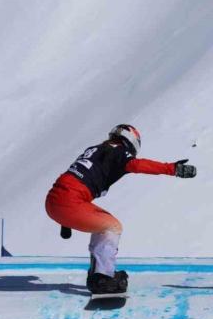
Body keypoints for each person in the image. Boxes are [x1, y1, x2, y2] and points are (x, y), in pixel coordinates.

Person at [45, 124, 196, 294]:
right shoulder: (119, 151)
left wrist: (65, 222)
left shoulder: (95, 149)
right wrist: (173, 169)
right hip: (70, 204)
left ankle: (99, 274)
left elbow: (75, 180)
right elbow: (137, 165)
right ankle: (102, 278)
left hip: (53, 201)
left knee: (104, 221)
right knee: (112, 227)